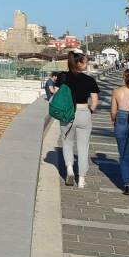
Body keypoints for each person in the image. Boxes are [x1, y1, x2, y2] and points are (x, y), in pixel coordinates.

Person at [55, 50, 99, 189]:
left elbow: (56, 94)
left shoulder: (62, 77)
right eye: (85, 62)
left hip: (67, 114)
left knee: (67, 143)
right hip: (84, 112)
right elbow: (95, 101)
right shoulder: (89, 80)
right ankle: (81, 179)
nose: (87, 64)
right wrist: (89, 111)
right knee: (83, 147)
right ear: (79, 63)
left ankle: (69, 170)